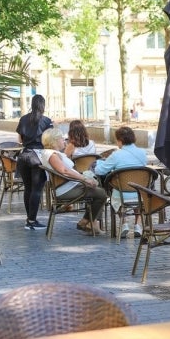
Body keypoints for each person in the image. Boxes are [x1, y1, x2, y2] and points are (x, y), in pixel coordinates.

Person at [40, 128, 107, 235]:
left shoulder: (52, 153)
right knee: (102, 194)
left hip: (69, 185)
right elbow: (64, 171)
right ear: (55, 141)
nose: (64, 141)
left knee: (98, 190)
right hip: (66, 189)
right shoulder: (52, 155)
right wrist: (84, 179)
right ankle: (85, 221)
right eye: (62, 139)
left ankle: (91, 223)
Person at [94, 126, 147, 238]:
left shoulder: (116, 155)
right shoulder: (142, 153)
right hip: (140, 193)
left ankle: (124, 223)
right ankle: (138, 225)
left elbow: (100, 170)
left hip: (122, 193)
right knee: (137, 189)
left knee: (115, 191)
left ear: (120, 140)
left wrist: (98, 163)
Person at [16, 94, 54, 230]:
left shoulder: (23, 119)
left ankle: (29, 219)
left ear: (32, 104)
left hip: (24, 155)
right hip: (38, 157)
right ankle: (32, 221)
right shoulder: (47, 121)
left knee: (28, 188)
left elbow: (19, 141)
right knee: (37, 190)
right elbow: (51, 140)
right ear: (43, 105)